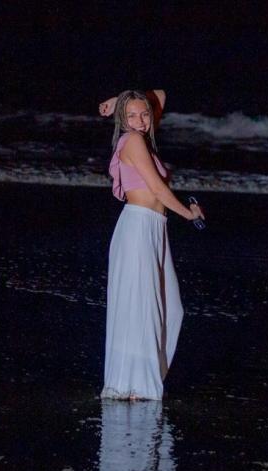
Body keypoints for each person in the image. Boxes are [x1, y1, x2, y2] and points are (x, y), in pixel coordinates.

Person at [98, 90, 205, 401]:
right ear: (122, 119)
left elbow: (160, 94)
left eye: (144, 114)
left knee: (171, 309)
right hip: (138, 227)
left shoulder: (142, 138)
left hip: (155, 228)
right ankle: (135, 386)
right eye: (131, 115)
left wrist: (118, 99)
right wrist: (189, 214)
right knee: (143, 308)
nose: (140, 121)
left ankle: (141, 382)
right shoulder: (131, 140)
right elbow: (157, 189)